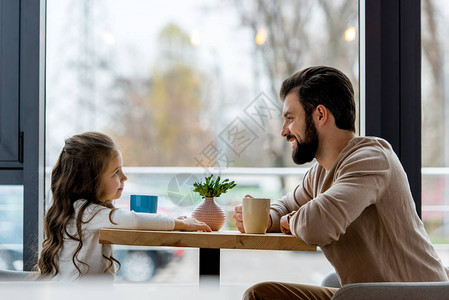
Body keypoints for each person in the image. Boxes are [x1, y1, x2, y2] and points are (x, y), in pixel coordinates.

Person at [233, 66, 449, 299]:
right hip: (366, 294)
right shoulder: (320, 172)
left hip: (415, 295)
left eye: (290, 118)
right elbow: (287, 206)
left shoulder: (371, 160)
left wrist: (290, 220)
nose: (284, 131)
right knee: (261, 295)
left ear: (320, 115)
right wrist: (267, 218)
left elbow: (317, 225)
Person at [37, 131, 211, 281]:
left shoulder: (78, 210)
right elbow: (134, 221)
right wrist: (181, 224)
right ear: (89, 181)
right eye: (116, 172)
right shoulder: (88, 212)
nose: (125, 177)